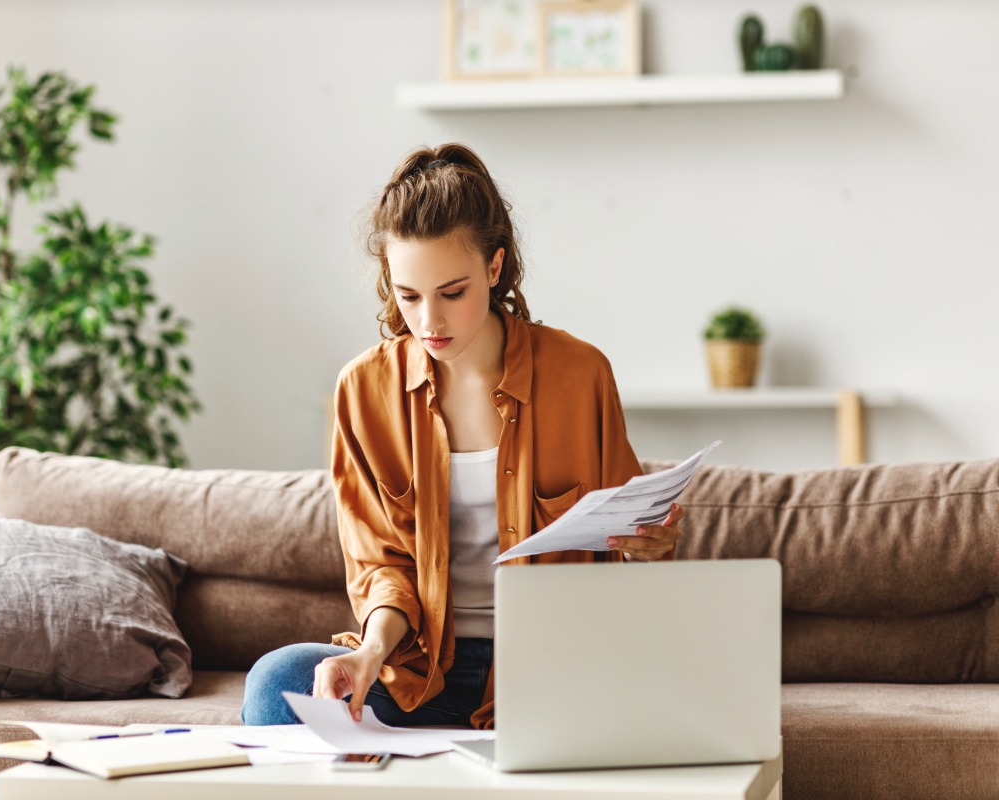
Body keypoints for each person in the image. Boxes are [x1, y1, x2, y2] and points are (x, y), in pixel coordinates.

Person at [241, 142, 684, 730]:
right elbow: (383, 569)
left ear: (494, 268)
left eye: (453, 293)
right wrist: (371, 651)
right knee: (279, 680)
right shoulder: (363, 391)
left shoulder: (580, 375)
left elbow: (628, 542)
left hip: (552, 671)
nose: (430, 322)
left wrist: (649, 546)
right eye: (409, 296)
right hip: (419, 673)